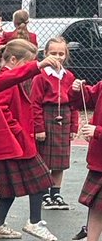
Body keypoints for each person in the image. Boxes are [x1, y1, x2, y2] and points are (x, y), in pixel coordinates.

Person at [0, 40, 61, 241]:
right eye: (26, 63)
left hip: (14, 143)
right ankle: (34, 222)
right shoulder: (6, 80)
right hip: (15, 143)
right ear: (13, 59)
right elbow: (1, 110)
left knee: (8, 189)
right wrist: (18, 131)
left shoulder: (8, 78)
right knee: (41, 181)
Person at [33, 37, 80, 211]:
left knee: (60, 161)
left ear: (66, 55)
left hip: (64, 118)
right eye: (53, 53)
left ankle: (56, 193)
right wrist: (39, 128)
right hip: (47, 116)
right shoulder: (41, 76)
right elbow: (35, 103)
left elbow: (74, 103)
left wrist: (74, 126)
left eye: (61, 53)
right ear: (45, 54)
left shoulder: (69, 76)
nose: (57, 57)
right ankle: (44, 193)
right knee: (45, 159)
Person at [67, 82, 102, 241]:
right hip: (100, 160)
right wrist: (77, 89)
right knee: (97, 208)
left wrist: (97, 131)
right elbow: (84, 99)